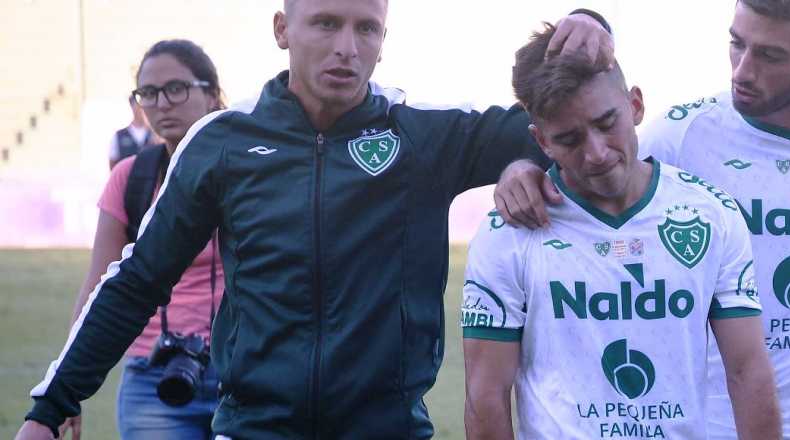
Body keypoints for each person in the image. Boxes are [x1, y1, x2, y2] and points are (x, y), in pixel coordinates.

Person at [14, 1, 613, 439]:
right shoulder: (223, 142)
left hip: (389, 431)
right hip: (254, 430)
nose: (347, 47)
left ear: (384, 38)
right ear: (283, 29)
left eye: (366, 28)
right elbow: (139, 279)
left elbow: (555, 131)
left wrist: (586, 31)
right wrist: (50, 407)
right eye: (326, 23)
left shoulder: (423, 133)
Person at [494, 0, 790, 438]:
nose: (742, 71)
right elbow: (589, 163)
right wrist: (520, 171)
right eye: (737, 44)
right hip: (723, 423)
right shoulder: (683, 134)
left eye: (769, 55)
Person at [462, 23, 781, 439]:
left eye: (606, 122)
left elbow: (748, 371)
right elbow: (486, 395)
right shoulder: (508, 235)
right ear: (542, 141)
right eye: (569, 139)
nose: (596, 153)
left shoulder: (710, 215)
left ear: (635, 105)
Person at [60, 39, 228, 440]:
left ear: (211, 94)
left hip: (243, 374)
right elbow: (99, 284)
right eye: (148, 93)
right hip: (154, 376)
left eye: (176, 88)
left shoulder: (249, 169)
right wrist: (65, 387)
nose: (161, 103)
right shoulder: (131, 178)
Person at [108, 96, 158, 169]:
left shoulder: (156, 134)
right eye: (138, 105)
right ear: (132, 106)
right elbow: (113, 166)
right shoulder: (119, 135)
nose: (142, 108)